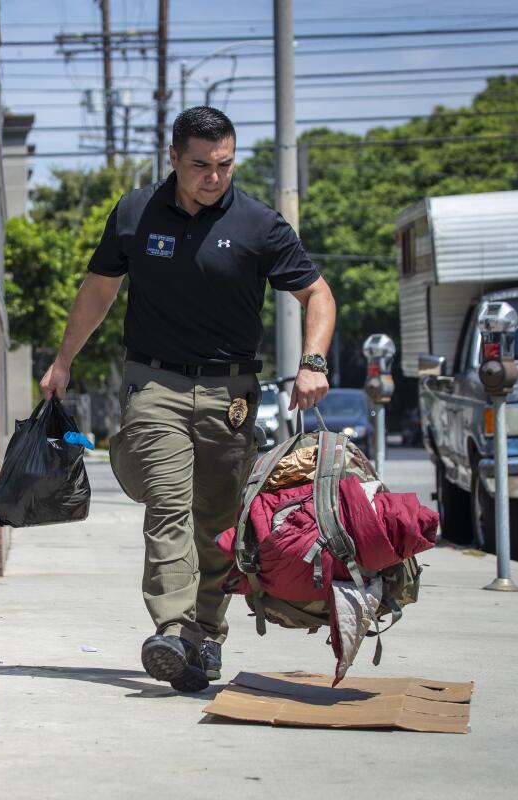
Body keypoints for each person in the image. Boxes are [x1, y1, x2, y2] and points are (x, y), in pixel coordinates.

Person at [39, 107, 335, 693]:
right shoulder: (134, 212)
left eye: (224, 165)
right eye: (200, 165)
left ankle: (206, 636)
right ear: (172, 157)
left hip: (231, 393)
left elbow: (317, 294)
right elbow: (99, 290)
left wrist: (313, 361)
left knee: (218, 524)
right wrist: (63, 359)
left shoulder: (259, 224)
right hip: (154, 384)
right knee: (168, 504)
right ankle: (173, 629)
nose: (214, 177)